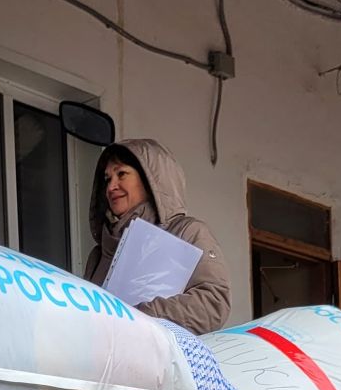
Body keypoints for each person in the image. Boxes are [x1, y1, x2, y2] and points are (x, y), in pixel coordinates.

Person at [83, 138, 231, 334]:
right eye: (107, 179)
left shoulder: (187, 232)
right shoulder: (98, 254)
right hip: (108, 363)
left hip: (161, 363)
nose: (111, 187)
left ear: (150, 180)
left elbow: (213, 304)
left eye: (121, 174)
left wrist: (140, 315)